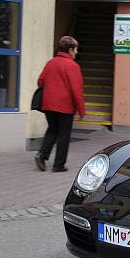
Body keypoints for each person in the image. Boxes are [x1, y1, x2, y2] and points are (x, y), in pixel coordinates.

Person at [34, 36, 86, 173]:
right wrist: (81, 110)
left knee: (52, 130)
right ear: (70, 50)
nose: (76, 52)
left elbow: (40, 82)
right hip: (65, 106)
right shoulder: (73, 66)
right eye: (75, 50)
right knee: (64, 134)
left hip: (48, 104)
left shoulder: (50, 62)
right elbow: (76, 90)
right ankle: (58, 165)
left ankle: (42, 155)